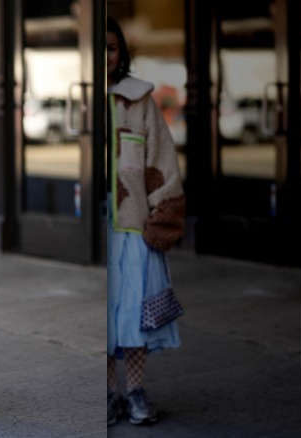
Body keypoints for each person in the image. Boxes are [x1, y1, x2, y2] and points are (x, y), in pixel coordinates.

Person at [105, 17, 186, 426]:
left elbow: (162, 162)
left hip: (132, 225)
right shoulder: (82, 100)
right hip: (94, 232)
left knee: (133, 311)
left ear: (122, 54)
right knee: (102, 317)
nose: (105, 57)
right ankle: (110, 394)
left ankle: (134, 389)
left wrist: (164, 215)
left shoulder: (139, 101)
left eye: (112, 48)